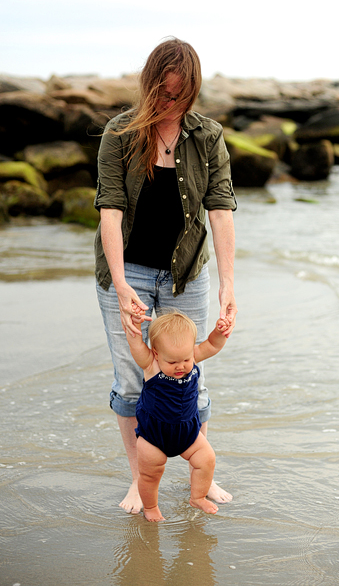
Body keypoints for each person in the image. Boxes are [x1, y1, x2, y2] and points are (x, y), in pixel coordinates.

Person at [94, 37, 238, 515]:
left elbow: (220, 212)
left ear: (193, 89)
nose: (168, 103)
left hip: (186, 272)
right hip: (127, 268)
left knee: (190, 373)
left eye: (178, 94)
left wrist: (228, 286)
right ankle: (141, 478)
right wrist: (120, 282)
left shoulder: (209, 135)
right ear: (148, 85)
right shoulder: (119, 133)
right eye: (161, 92)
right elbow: (110, 211)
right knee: (133, 381)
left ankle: (202, 472)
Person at [123, 310, 228, 522]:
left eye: (186, 359)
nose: (180, 366)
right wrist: (133, 326)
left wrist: (219, 332)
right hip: (154, 435)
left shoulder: (192, 356)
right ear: (156, 353)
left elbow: (213, 345)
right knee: (150, 475)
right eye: (172, 362)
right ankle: (151, 507)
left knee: (207, 459)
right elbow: (135, 345)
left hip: (187, 432)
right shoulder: (150, 364)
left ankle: (197, 497)